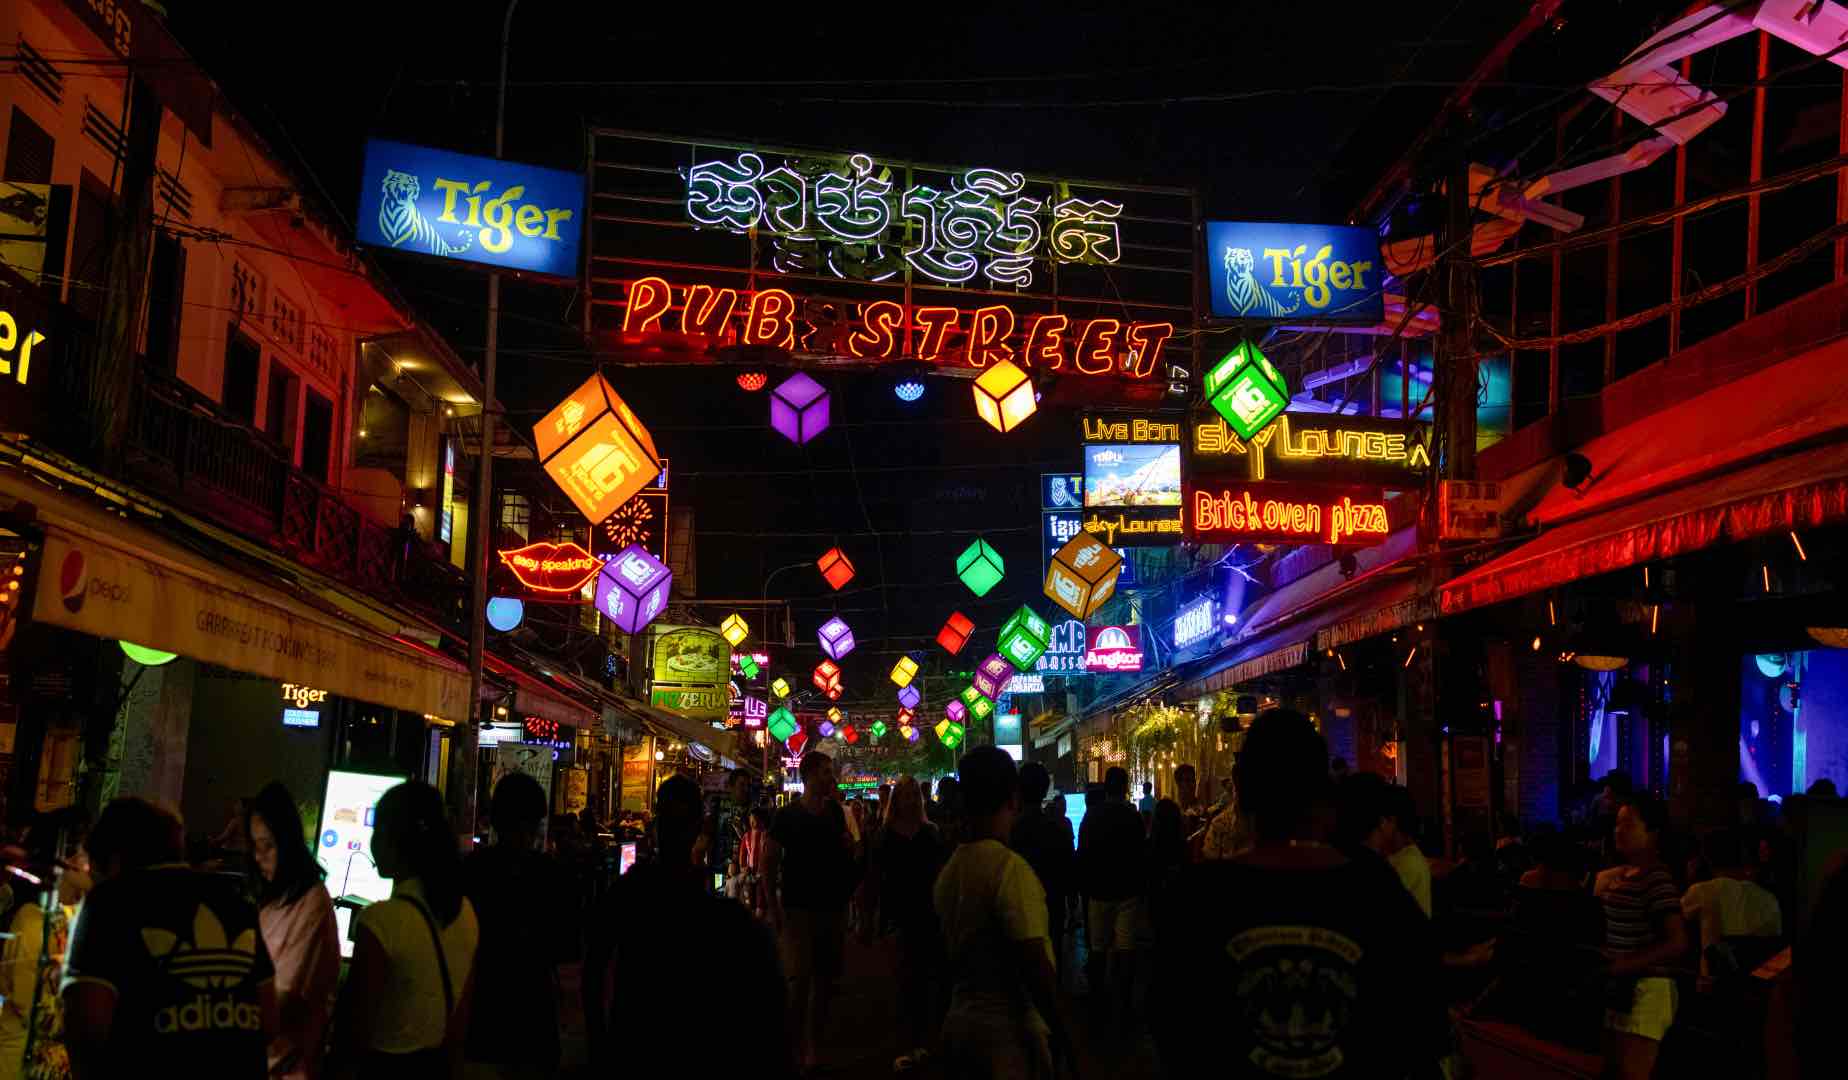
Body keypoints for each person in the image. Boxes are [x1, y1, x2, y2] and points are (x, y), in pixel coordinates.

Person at [1151, 711, 1446, 1077]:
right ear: (1324, 796)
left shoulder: (1197, 901)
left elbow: (1173, 1034)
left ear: (1240, 788)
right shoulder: (1375, 891)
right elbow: (1423, 1024)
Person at [583, 776, 792, 1078]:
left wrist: (598, 1044)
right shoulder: (729, 919)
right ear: (699, 827)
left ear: (656, 827)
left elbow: (594, 970)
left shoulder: (627, 894)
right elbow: (767, 1015)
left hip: (634, 1044)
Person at [61, 798, 275, 1079]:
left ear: (113, 860)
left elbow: (87, 1032)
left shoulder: (109, 904)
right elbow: (269, 1023)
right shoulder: (237, 905)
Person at [934, 747, 1076, 1078]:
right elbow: (1034, 964)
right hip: (1007, 1039)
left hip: (959, 1028)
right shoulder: (1008, 870)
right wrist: (1065, 1037)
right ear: (1012, 798)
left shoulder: (951, 869)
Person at [334, 782, 478, 1077]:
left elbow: (357, 1031)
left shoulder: (380, 922)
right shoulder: (466, 913)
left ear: (395, 840)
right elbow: (460, 1022)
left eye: (378, 830)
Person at [462, 773, 573, 1078]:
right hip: (534, 1017)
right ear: (536, 823)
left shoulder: (470, 871)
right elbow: (566, 947)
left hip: (481, 1014)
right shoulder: (551, 875)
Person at [763, 753, 859, 1072]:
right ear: (809, 776)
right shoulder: (786, 816)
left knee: (824, 981)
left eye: (830, 772)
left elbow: (849, 849)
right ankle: (793, 1046)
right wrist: (773, 907)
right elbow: (769, 862)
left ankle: (814, 1045)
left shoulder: (834, 811)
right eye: (825, 772)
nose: (830, 777)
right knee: (800, 980)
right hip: (798, 908)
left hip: (831, 906)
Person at [245, 784, 340, 1080]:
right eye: (254, 846)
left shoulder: (311, 902)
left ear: (287, 841)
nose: (259, 857)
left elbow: (287, 999)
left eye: (268, 845)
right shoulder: (272, 901)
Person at [1594, 795, 1690, 1080]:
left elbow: (1678, 942)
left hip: (1648, 990)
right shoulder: (1622, 876)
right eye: (1616, 823)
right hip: (1621, 988)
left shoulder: (1657, 878)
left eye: (1628, 824)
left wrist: (1626, 963)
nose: (1618, 830)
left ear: (1653, 833)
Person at [0, 809, 90, 1080]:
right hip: (24, 1067)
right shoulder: (34, 923)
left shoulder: (71, 917)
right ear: (67, 858)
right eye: (90, 853)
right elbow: (37, 1010)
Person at [866, 776, 944, 1071]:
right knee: (902, 980)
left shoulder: (931, 833)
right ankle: (905, 1044)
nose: (911, 799)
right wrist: (868, 916)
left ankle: (922, 1042)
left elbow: (940, 874)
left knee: (924, 979)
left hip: (927, 913)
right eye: (905, 794)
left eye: (914, 794)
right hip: (896, 914)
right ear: (896, 800)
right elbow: (874, 878)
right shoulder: (884, 836)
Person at [1076, 766, 1145, 1031]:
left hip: (1099, 889)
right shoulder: (1132, 815)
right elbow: (1141, 850)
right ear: (1125, 786)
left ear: (1106, 787)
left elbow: (1083, 850)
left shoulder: (1093, 816)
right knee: (1126, 947)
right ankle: (1124, 1001)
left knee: (1098, 946)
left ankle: (1098, 998)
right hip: (1127, 889)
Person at [1682, 828, 1781, 978]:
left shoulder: (1702, 891)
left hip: (1716, 985)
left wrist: (1689, 878)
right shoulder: (1769, 898)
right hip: (1761, 984)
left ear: (1706, 859)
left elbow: (1674, 923)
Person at [1009, 763, 1073, 975]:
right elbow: (1067, 868)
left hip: (1017, 911)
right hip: (1052, 905)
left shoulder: (1010, 830)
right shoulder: (1058, 827)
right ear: (1045, 790)